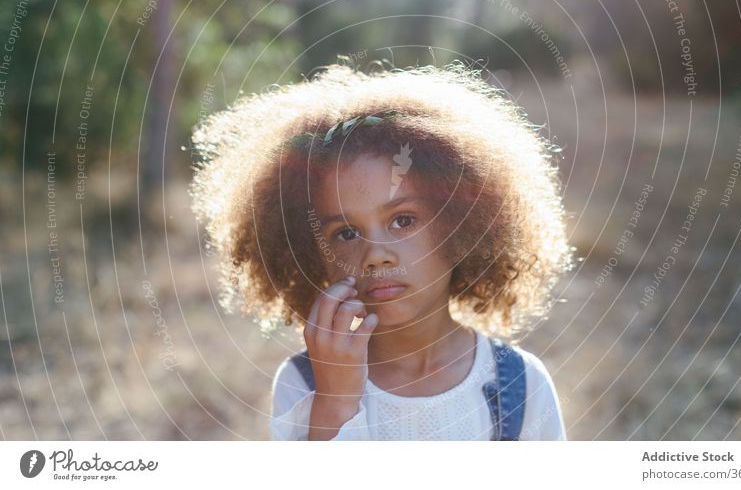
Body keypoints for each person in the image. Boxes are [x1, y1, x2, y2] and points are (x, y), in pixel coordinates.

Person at [189, 61, 576, 440]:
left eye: (403, 220)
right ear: (309, 253)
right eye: (345, 233)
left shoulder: (521, 387)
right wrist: (336, 401)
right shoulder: (305, 383)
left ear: (462, 225)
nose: (376, 255)